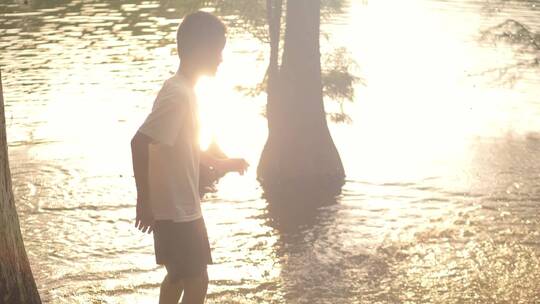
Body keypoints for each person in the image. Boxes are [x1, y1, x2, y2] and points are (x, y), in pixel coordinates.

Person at [130, 11, 248, 304]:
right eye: (218, 50)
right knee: (197, 282)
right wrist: (144, 202)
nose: (221, 58)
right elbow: (139, 142)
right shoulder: (178, 94)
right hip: (176, 212)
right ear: (199, 50)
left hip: (182, 208)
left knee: (178, 277)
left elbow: (182, 146)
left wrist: (222, 164)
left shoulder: (185, 90)